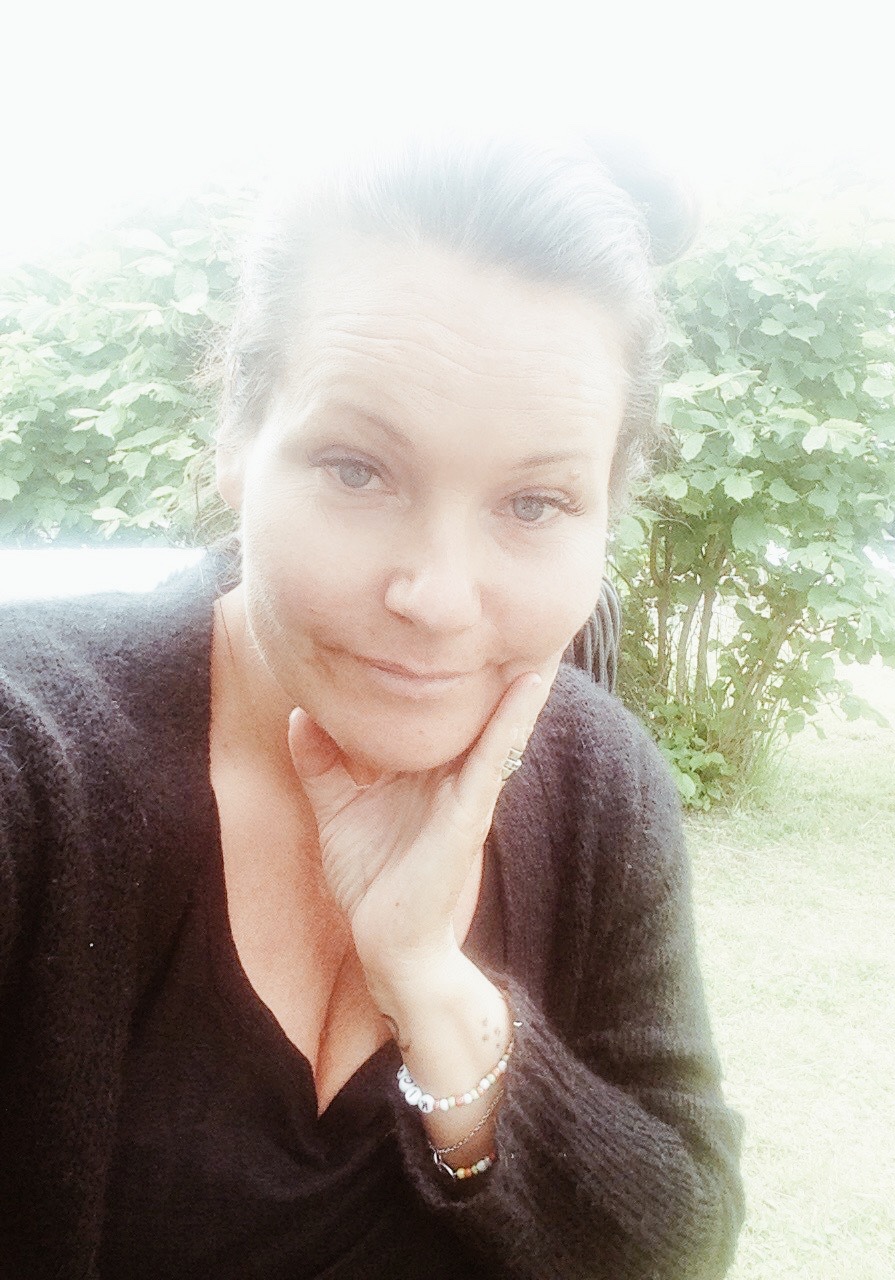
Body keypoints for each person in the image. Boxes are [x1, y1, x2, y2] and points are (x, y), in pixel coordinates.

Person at [0, 135, 744, 1279]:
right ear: (239, 437)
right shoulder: (30, 760)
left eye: (535, 502)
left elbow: (677, 1236)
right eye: (357, 468)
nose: (436, 598)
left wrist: (434, 990)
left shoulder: (606, 790)